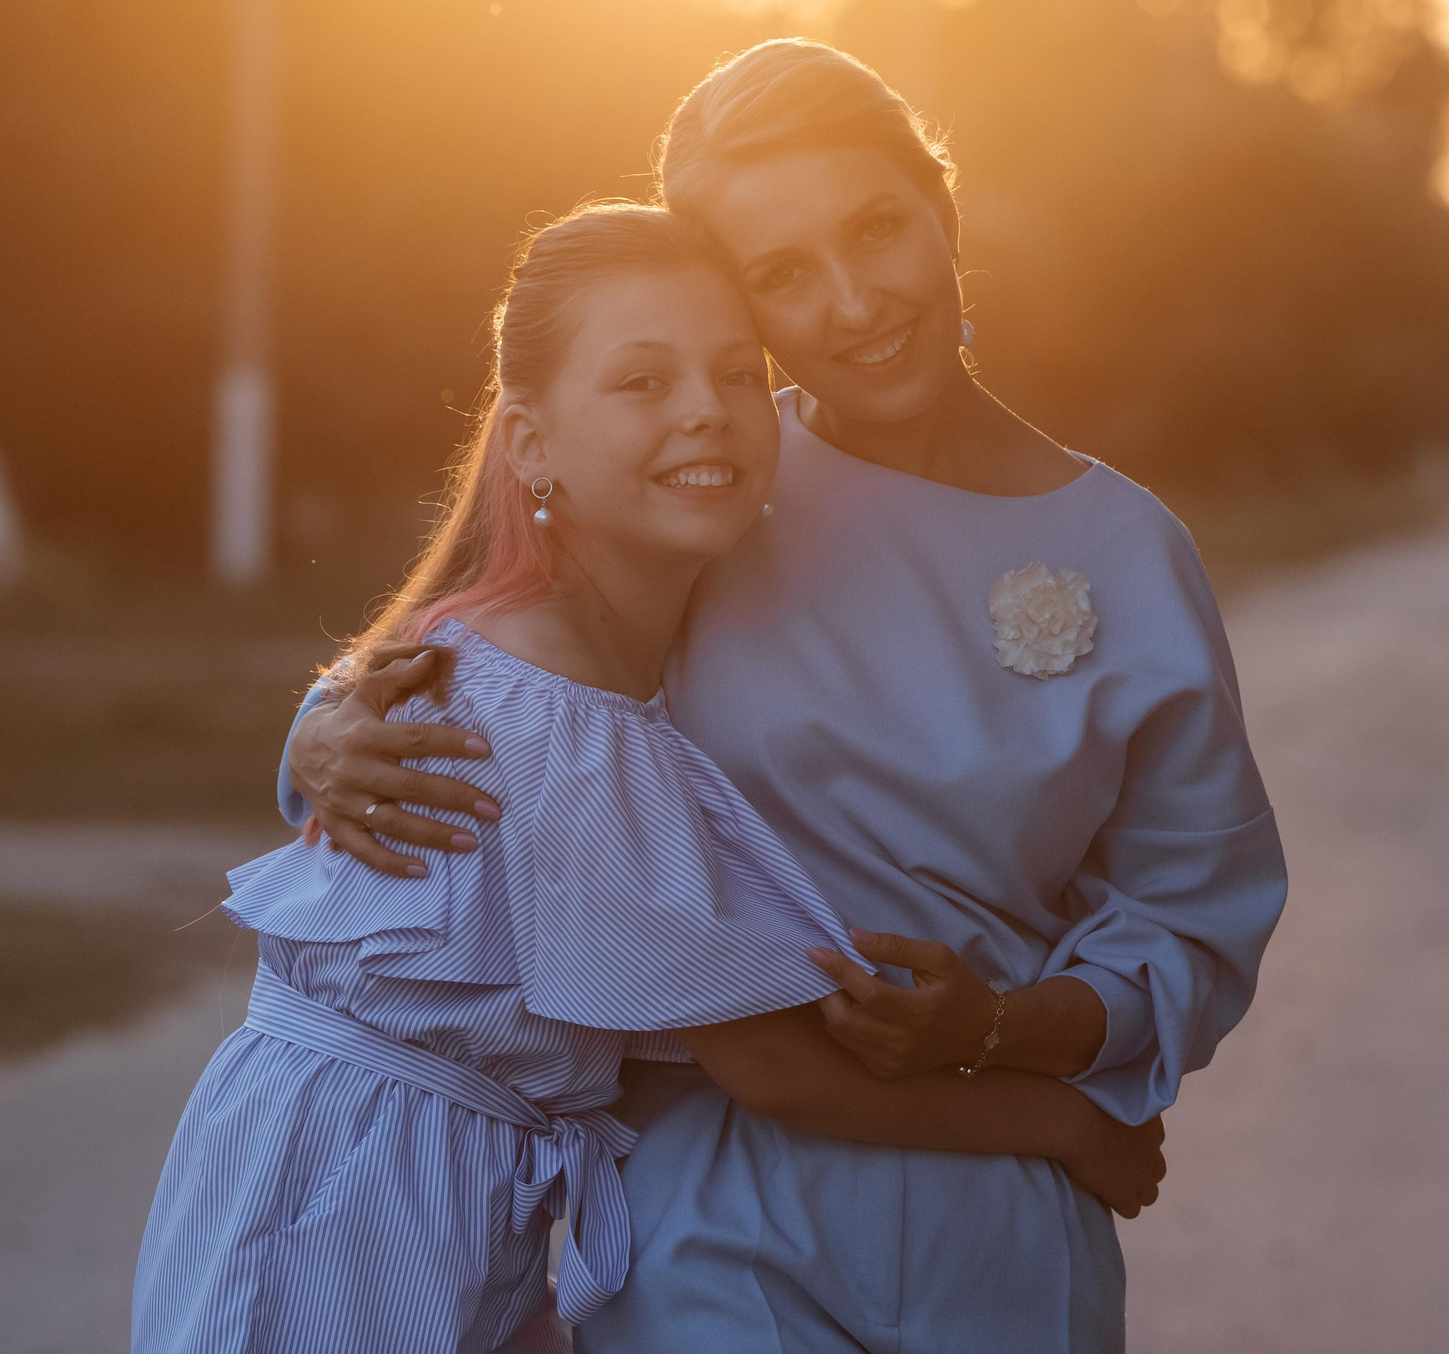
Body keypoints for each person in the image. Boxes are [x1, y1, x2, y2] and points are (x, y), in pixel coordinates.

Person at [283, 42, 1289, 1352]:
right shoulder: (709, 483)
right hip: (711, 1215)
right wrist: (323, 730)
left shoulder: (1134, 553)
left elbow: (1193, 922)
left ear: (943, 208)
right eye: (782, 273)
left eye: (877, 229)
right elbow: (488, 659)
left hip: (1004, 1205)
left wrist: (999, 1024)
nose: (855, 301)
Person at [136, 204, 1163, 1354]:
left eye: (737, 374)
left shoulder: (594, 655)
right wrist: (1067, 1124)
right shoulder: (558, 713)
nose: (705, 410)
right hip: (350, 1205)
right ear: (530, 445)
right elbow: (776, 1069)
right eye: (642, 382)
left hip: (447, 1195)